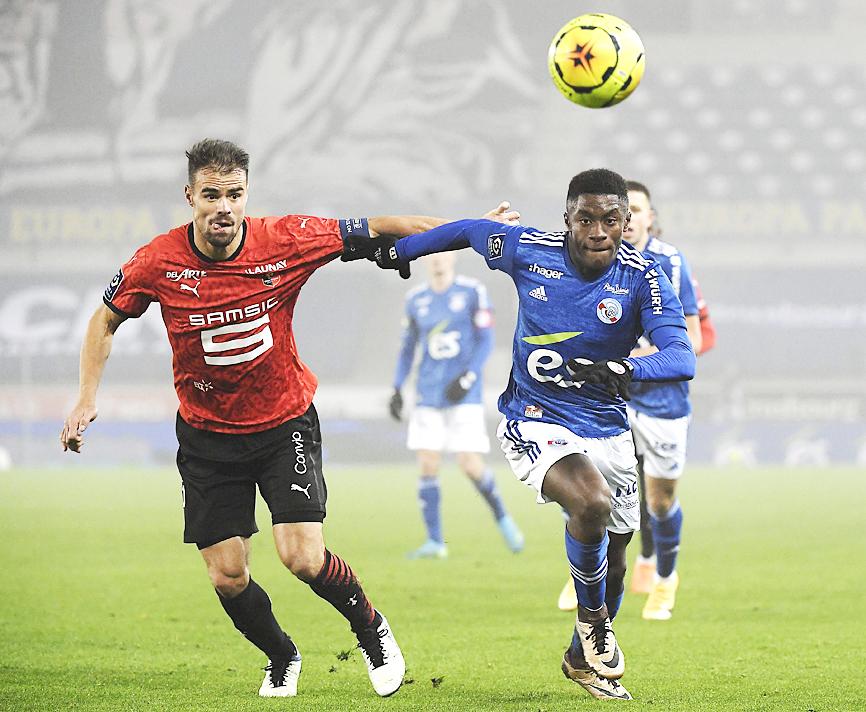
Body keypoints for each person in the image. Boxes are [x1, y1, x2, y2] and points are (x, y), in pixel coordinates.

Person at [59, 138, 516, 699]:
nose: (224, 206)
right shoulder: (157, 261)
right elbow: (104, 320)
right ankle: (281, 655)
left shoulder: (286, 239)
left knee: (302, 557)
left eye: (234, 194)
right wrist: (86, 398)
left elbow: (382, 225)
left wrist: (473, 228)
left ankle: (371, 629)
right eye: (211, 195)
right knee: (228, 576)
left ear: (247, 194)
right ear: (190, 197)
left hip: (284, 424)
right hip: (206, 436)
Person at [373, 168, 696, 701]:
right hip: (534, 416)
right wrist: (402, 250)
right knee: (590, 502)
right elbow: (471, 231)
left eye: (610, 220)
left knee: (615, 563)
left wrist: (625, 369)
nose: (598, 231)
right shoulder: (529, 249)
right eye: (585, 219)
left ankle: (580, 658)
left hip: (606, 425)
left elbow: (681, 356)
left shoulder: (645, 277)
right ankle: (593, 621)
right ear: (567, 219)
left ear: (625, 223)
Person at [557, 181, 714, 616]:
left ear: (647, 217)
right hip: (605, 399)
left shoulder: (670, 262)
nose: (625, 221)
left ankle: (665, 578)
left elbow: (693, 341)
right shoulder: (585, 259)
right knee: (587, 492)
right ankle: (586, 576)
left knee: (659, 501)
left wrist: (625, 362)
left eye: (635, 211)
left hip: (662, 399)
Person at [389, 251, 524, 558]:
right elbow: (408, 348)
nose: (437, 259)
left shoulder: (472, 292)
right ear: (425, 260)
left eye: (442, 254)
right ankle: (435, 542)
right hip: (428, 393)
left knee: (470, 464)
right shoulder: (416, 299)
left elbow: (486, 340)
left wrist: (469, 376)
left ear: (453, 257)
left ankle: (503, 518)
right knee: (427, 463)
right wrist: (397, 387)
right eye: (432, 255)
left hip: (464, 395)